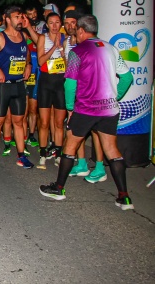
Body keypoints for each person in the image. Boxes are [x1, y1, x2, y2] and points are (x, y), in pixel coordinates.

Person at [39, 15, 134, 210]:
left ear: (81, 31)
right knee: (112, 150)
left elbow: (70, 84)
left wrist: (70, 108)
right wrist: (115, 98)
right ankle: (124, 197)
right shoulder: (111, 48)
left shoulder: (78, 51)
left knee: (70, 145)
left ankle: (58, 188)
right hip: (108, 109)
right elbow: (127, 78)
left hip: (85, 108)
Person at [0, 6, 34, 169]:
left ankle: (21, 156)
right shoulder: (0, 38)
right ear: (7, 19)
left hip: (19, 85)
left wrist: (28, 65)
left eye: (22, 17)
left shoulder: (23, 35)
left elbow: (27, 53)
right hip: (3, 86)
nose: (21, 20)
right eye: (18, 17)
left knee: (19, 121)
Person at [35, 12, 67, 169]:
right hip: (46, 81)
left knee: (59, 122)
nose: (54, 26)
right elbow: (40, 60)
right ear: (47, 25)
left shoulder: (66, 38)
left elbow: (70, 65)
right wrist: (54, 47)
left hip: (61, 82)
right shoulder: (43, 38)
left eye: (57, 23)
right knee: (45, 122)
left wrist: (62, 51)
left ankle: (59, 154)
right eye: (51, 23)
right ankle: (42, 154)